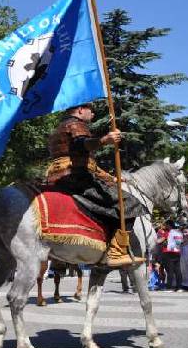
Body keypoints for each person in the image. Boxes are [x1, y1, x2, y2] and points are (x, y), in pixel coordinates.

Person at [45, 103, 147, 268]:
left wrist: (111, 179)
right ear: (80, 110)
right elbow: (82, 144)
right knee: (128, 202)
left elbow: (87, 163)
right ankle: (116, 252)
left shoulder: (59, 129)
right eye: (90, 110)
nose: (93, 114)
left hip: (58, 176)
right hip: (75, 177)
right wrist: (105, 140)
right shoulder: (76, 125)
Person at [157, 219, 184, 291]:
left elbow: (159, 241)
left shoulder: (168, 232)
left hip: (168, 253)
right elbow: (181, 242)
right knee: (178, 270)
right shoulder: (179, 232)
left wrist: (155, 240)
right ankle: (179, 287)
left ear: (169, 225)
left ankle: (169, 287)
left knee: (170, 271)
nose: (165, 226)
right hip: (177, 252)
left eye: (166, 225)